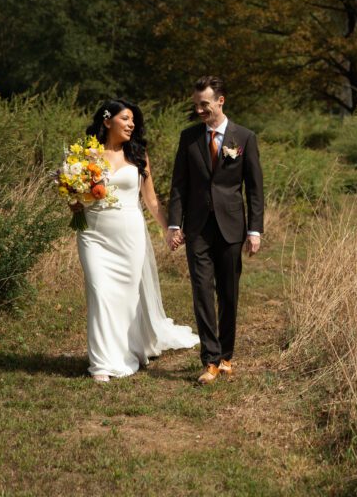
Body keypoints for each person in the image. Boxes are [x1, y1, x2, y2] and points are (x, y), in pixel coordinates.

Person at [74, 98, 198, 381]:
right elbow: (78, 196)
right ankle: (102, 364)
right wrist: (73, 200)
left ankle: (128, 350)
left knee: (128, 298)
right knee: (100, 292)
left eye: (133, 121)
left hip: (129, 234)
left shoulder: (139, 155)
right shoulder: (86, 155)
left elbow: (151, 200)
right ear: (107, 122)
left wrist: (170, 229)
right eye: (125, 119)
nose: (132, 125)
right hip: (93, 235)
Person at [167, 75, 264, 384]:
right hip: (197, 229)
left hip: (232, 227)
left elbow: (255, 189)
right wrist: (173, 224)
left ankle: (226, 356)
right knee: (201, 292)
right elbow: (179, 185)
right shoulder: (189, 138)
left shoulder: (244, 137)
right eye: (196, 105)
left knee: (228, 292)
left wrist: (255, 230)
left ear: (220, 101)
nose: (199, 110)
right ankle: (209, 359)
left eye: (204, 104)